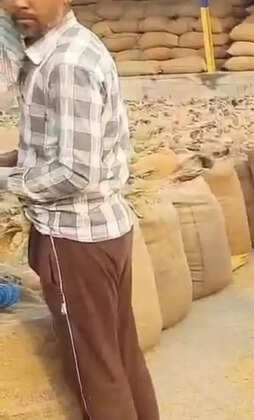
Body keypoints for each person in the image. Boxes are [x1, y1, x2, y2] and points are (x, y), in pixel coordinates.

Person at [1, 1, 159, 418]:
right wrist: (9, 162)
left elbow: (74, 172)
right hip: (102, 231)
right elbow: (53, 149)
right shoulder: (67, 47)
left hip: (74, 239)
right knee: (118, 356)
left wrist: (6, 182)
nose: (19, 3)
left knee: (96, 375)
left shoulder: (67, 63)